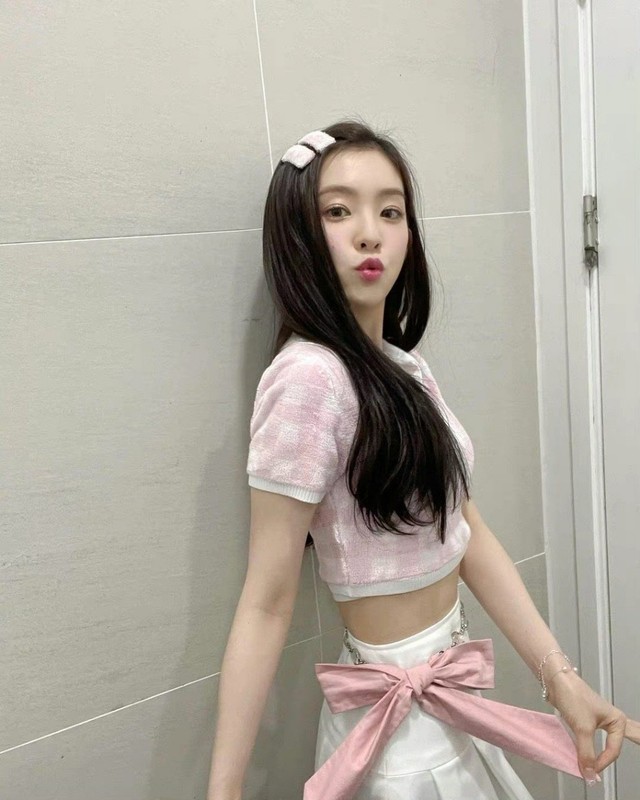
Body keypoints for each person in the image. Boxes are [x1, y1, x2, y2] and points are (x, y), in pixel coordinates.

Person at [207, 120, 636, 800]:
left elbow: (466, 532)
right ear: (298, 234)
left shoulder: (404, 368)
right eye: (338, 211)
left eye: (390, 211)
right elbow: (266, 602)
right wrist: (224, 791)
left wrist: (562, 679)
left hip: (449, 699)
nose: (369, 234)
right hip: (392, 735)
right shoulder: (308, 379)